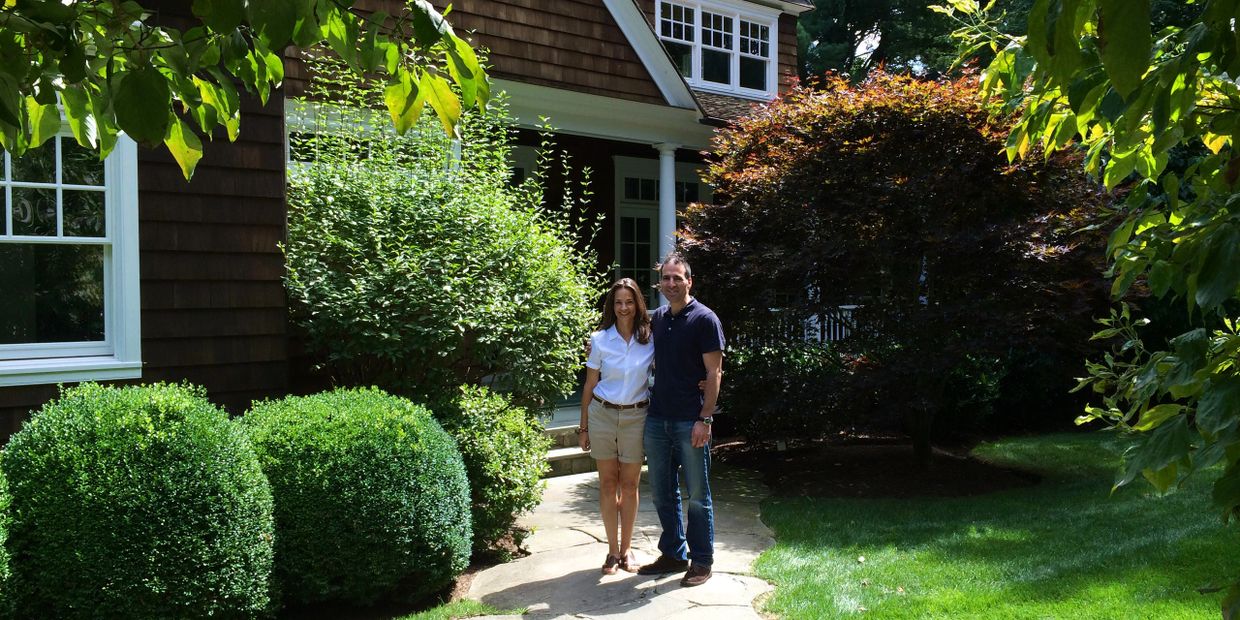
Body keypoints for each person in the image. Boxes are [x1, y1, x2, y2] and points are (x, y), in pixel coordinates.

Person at [637, 252, 724, 588]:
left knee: (698, 497)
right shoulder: (658, 318)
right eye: (666, 278)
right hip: (657, 419)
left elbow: (714, 372)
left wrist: (706, 418)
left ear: (690, 282)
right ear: (660, 283)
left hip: (692, 420)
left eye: (678, 278)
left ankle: (702, 561)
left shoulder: (704, 319)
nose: (671, 284)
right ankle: (674, 553)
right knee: (662, 492)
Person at [578, 278, 654, 574]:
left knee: (631, 484)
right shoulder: (599, 340)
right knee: (609, 484)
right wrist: (583, 427)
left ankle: (627, 550)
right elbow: (589, 385)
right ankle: (611, 552)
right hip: (602, 415)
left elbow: (670, 368)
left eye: (629, 302)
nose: (624, 308)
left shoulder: (650, 339)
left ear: (638, 305)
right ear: (612, 306)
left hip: (636, 416)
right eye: (618, 302)